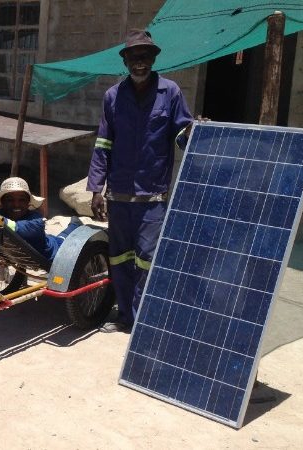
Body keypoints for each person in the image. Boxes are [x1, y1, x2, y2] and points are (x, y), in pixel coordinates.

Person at [87, 29, 193, 333]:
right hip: (119, 197)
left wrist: (196, 132)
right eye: (134, 57)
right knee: (120, 258)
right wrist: (96, 189)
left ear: (154, 58)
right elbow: (103, 144)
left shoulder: (170, 93)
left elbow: (183, 136)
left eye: (145, 57)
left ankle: (143, 318)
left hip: (153, 199)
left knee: (147, 258)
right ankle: (125, 316)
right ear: (126, 60)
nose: (139, 63)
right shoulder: (112, 96)